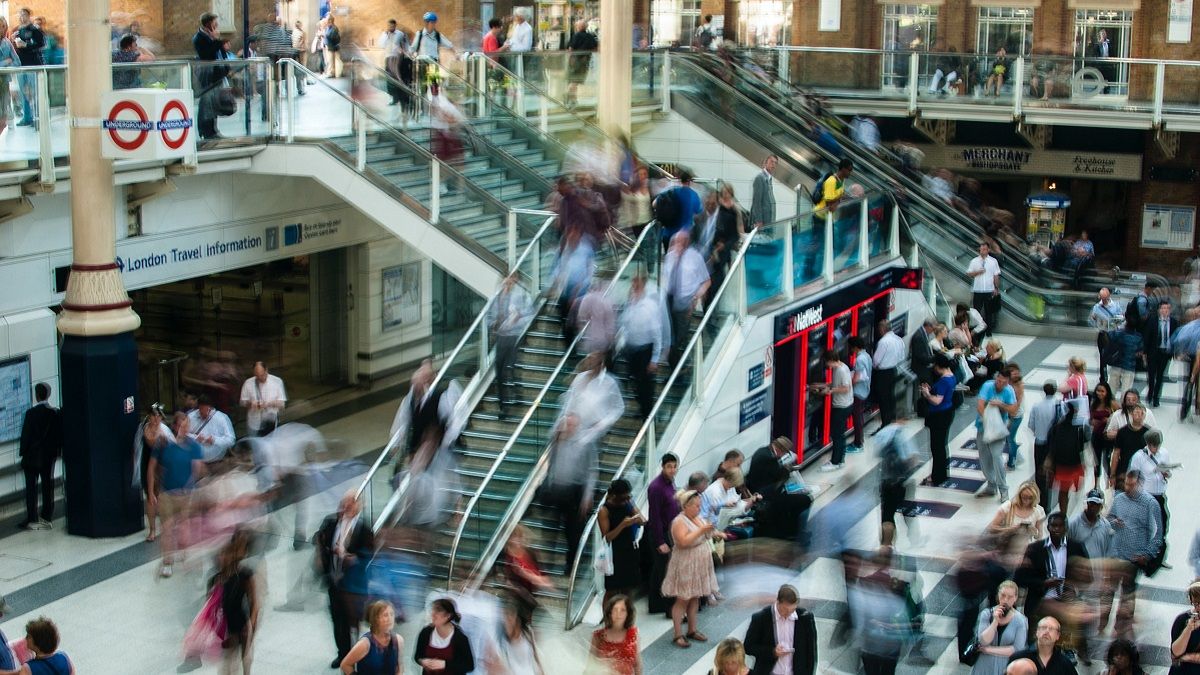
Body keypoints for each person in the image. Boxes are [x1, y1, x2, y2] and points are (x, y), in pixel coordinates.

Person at [317, 492, 376, 668]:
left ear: (359, 505)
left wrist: (353, 558)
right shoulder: (331, 522)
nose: (348, 505)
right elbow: (320, 540)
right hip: (334, 582)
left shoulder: (364, 528)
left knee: (354, 622)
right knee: (337, 620)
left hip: (353, 586)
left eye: (352, 502)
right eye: (345, 502)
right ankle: (342, 653)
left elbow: (369, 554)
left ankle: (357, 654)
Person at [1107, 469, 1163, 640]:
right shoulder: (1119, 499)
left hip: (1133, 558)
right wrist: (1114, 522)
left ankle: (1122, 626)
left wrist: (1147, 553)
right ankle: (1103, 621)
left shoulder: (1150, 504)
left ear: (1140, 484)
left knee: (1127, 593)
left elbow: (1158, 533)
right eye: (1126, 484)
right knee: (1108, 590)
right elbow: (1108, 518)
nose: (1127, 488)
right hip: (1116, 554)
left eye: (1131, 485)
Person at [662, 490, 721, 649]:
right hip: (686, 563)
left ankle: (692, 629)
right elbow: (682, 542)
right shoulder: (678, 521)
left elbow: (705, 534)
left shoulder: (698, 518)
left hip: (699, 562)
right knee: (683, 598)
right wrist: (701, 530)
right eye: (696, 506)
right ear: (685, 506)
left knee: (695, 597)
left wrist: (715, 532)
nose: (699, 509)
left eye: (699, 506)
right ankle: (677, 634)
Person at [148, 412, 204, 578]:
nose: (185, 429)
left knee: (185, 529)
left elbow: (197, 470)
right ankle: (167, 562)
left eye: (187, 426)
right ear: (175, 426)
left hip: (186, 495)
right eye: (182, 426)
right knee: (167, 530)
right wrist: (151, 492)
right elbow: (151, 467)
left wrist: (191, 489)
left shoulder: (194, 446)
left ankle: (185, 554)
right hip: (167, 494)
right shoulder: (163, 444)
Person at [1015, 513, 1090, 626]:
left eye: (1060, 526)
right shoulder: (1035, 549)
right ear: (1048, 527)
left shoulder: (1076, 548)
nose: (1056, 529)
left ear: (1066, 528)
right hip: (1040, 604)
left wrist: (1073, 588)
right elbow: (1020, 578)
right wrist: (1043, 583)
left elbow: (1088, 576)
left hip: (1068, 604)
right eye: (1053, 526)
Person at [388, 359, 458, 470]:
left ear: (427, 382)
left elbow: (452, 422)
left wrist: (445, 445)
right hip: (418, 448)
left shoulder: (442, 395)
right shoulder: (410, 399)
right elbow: (402, 421)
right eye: (414, 385)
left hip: (436, 450)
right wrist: (395, 445)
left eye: (418, 385)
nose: (415, 389)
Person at [745, 437, 812, 542]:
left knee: (795, 499)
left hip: (763, 491)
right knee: (805, 500)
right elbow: (779, 476)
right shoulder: (769, 459)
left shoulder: (762, 451)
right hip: (767, 496)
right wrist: (786, 469)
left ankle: (793, 531)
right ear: (781, 450)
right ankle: (794, 532)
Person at [619, 273, 666, 420]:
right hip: (631, 349)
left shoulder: (650, 306)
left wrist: (654, 359)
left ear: (643, 285)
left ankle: (648, 415)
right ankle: (642, 408)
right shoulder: (631, 303)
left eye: (636, 284)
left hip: (646, 350)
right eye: (633, 283)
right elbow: (623, 322)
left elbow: (657, 333)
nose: (633, 286)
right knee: (635, 382)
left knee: (646, 386)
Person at [212, 530, 259, 674]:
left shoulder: (244, 574)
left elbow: (254, 602)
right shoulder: (216, 579)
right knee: (228, 662)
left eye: (225, 554)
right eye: (220, 555)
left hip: (241, 622)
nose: (222, 558)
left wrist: (251, 624)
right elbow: (211, 606)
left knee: (245, 658)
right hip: (225, 624)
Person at [744, 584, 817, 675]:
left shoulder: (805, 618)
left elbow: (811, 652)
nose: (789, 613)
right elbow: (748, 647)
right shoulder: (761, 618)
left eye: (792, 610)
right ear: (778, 602)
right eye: (785, 610)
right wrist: (772, 651)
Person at [663, 230, 711, 367]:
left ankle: (679, 365)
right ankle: (676, 364)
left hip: (686, 301)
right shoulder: (669, 256)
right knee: (670, 336)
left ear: (687, 242)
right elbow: (665, 278)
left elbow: (707, 281)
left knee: (679, 337)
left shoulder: (695, 257)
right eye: (676, 241)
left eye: (681, 242)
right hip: (669, 299)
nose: (678, 245)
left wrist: (695, 298)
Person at [488, 273, 533, 417]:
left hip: (514, 336)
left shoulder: (522, 294)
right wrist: (493, 325)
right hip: (501, 337)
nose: (509, 281)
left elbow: (529, 313)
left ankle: (517, 393)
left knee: (511, 367)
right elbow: (490, 316)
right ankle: (503, 406)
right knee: (500, 370)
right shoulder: (497, 296)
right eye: (507, 278)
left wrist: (516, 321)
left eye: (513, 278)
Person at [18, 382, 61, 531]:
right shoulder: (54, 413)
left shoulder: (31, 414)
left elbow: (25, 436)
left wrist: (23, 452)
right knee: (47, 485)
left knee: (31, 488)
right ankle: (46, 515)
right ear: (48, 395)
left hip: (32, 457)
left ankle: (32, 517)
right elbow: (57, 436)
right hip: (48, 457)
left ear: (37, 396)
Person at [875, 414, 921, 547]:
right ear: (901, 419)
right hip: (902, 481)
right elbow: (912, 458)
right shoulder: (902, 434)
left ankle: (887, 543)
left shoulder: (881, 434)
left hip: (886, 480)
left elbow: (877, 454)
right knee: (908, 511)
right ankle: (914, 540)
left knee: (887, 514)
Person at [1127, 429, 1171, 569]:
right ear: (1148, 444)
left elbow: (1168, 472)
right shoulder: (1139, 457)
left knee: (1162, 524)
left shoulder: (1164, 453)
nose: (1156, 448)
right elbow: (1132, 476)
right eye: (1153, 445)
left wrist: (1166, 473)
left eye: (1158, 445)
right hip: (1145, 497)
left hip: (1159, 495)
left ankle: (1158, 557)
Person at [976, 366, 1020, 502]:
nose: (999, 384)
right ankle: (991, 484)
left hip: (999, 429)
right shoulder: (988, 386)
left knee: (997, 457)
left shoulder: (1009, 391)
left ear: (1007, 382)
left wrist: (1001, 404)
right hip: (983, 427)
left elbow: (1013, 410)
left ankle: (1003, 488)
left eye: (1003, 382)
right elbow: (980, 405)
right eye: (998, 380)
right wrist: (987, 420)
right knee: (984, 457)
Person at [598, 479, 644, 605]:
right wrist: (622, 525)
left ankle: (627, 615)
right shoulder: (604, 510)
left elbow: (643, 521)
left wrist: (636, 514)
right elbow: (607, 537)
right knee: (611, 590)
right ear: (615, 495)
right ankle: (608, 616)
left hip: (629, 549)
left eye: (628, 496)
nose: (626, 499)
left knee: (627, 588)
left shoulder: (628, 504)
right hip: (614, 553)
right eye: (624, 497)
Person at [646, 452, 680, 616]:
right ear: (663, 467)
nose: (672, 470)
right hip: (660, 533)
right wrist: (660, 541)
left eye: (674, 467)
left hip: (669, 531)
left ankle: (656, 604)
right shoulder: (656, 487)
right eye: (669, 467)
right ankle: (666, 607)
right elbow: (655, 517)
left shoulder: (670, 482)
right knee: (664, 571)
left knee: (660, 570)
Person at [807, 159, 853, 279]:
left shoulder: (841, 181)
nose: (850, 173)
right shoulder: (831, 181)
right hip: (819, 217)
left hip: (828, 218)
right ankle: (808, 270)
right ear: (843, 169)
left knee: (829, 243)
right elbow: (830, 205)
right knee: (816, 244)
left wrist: (839, 199)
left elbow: (836, 199)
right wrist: (839, 198)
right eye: (849, 170)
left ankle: (825, 268)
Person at [972, 580, 1028, 675]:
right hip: (984, 666)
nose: (1005, 600)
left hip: (1005, 667)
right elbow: (983, 641)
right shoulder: (986, 614)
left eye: (1010, 597)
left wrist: (987, 650)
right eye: (1003, 595)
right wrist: (995, 621)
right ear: (998, 595)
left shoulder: (1021, 620)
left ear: (1015, 598)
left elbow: (1017, 649)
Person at [812, 349, 853, 471]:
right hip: (845, 405)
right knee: (840, 435)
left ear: (830, 360)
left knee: (837, 435)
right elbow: (835, 383)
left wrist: (830, 391)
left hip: (841, 407)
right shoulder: (841, 367)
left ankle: (835, 462)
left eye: (826, 362)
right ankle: (840, 460)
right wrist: (821, 385)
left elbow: (845, 388)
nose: (826, 365)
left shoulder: (841, 370)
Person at [920, 355, 958, 485]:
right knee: (941, 445)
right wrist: (931, 390)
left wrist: (927, 394)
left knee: (937, 447)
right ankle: (941, 473)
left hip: (939, 416)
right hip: (947, 413)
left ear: (938, 366)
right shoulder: (951, 377)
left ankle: (937, 476)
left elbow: (937, 401)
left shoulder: (944, 381)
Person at [340, 600, 403, 675]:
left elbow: (399, 667)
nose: (390, 619)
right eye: (385, 615)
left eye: (392, 614)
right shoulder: (365, 644)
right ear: (376, 619)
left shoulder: (398, 640)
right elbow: (345, 665)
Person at [414, 598, 474, 674]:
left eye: (438, 610)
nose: (433, 614)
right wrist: (423, 661)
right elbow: (417, 656)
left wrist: (445, 664)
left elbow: (469, 666)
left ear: (448, 616)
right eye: (433, 610)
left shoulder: (460, 638)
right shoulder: (426, 632)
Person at [193, 12, 228, 141]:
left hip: (216, 74)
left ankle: (213, 129)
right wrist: (217, 40)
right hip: (207, 75)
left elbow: (220, 52)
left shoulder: (211, 37)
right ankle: (206, 131)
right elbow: (207, 54)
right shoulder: (199, 38)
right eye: (214, 22)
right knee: (206, 103)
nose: (216, 25)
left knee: (214, 103)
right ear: (208, 24)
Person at [1047, 402, 1087, 516]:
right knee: (1073, 491)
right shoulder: (1079, 427)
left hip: (1062, 465)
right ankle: (1067, 515)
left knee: (1064, 491)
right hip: (1073, 464)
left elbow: (1052, 446)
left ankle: (1064, 514)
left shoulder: (1057, 427)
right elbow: (1083, 445)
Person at [587, 594, 642, 674]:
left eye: (622, 610)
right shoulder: (598, 637)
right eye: (615, 609)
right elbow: (590, 667)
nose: (618, 614)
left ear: (628, 613)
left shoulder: (634, 634)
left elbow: (637, 665)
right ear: (610, 613)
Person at [1027, 381, 1060, 510]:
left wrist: (1039, 431)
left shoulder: (1036, 406)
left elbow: (1031, 425)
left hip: (1040, 443)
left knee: (1040, 474)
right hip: (1054, 444)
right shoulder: (1059, 405)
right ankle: (1050, 501)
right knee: (1051, 473)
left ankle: (1042, 503)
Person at [1, 617, 74, 675]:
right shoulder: (64, 657)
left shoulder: (28, 668)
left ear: (38, 642)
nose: (25, 638)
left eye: (29, 636)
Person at [1007, 616, 1078, 675]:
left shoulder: (1065, 664)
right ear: (1037, 632)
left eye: (1051, 629)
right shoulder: (1019, 658)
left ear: (1058, 636)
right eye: (1043, 627)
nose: (1047, 631)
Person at [12, 8, 43, 129]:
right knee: (23, 92)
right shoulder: (18, 31)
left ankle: (38, 117)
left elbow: (41, 44)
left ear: (29, 16)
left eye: (24, 14)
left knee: (34, 92)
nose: (21, 17)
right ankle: (27, 117)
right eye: (19, 15)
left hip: (33, 64)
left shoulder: (35, 30)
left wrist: (27, 45)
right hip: (21, 65)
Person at [987, 480, 1045, 545]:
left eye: (1030, 498)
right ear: (1019, 495)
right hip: (1006, 545)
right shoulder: (1007, 507)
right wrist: (1009, 529)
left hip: (1027, 547)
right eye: (1024, 497)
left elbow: (1039, 536)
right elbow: (991, 528)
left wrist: (1034, 532)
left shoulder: (1038, 511)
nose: (1027, 500)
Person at [1143, 301, 1177, 408]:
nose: (1165, 310)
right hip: (1153, 352)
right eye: (1163, 308)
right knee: (1151, 375)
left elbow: (1175, 337)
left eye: (1167, 308)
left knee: (1160, 376)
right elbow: (1147, 336)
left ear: (1170, 310)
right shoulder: (1152, 321)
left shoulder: (1174, 322)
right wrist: (1144, 352)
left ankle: (1156, 397)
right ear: (1159, 310)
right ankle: (1150, 393)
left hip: (1165, 353)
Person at [872, 318, 906, 430]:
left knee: (883, 399)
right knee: (891, 397)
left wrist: (875, 367)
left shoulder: (883, 342)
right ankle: (892, 419)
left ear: (883, 329)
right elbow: (902, 357)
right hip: (893, 371)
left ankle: (885, 423)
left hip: (883, 373)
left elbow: (876, 360)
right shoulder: (898, 340)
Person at [240, 361, 286, 437]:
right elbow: (242, 402)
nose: (260, 378)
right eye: (257, 376)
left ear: (266, 370)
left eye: (262, 375)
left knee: (270, 442)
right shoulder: (248, 383)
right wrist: (251, 404)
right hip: (254, 422)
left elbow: (282, 404)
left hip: (270, 421)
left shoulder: (277, 381)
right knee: (254, 442)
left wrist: (269, 404)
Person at [1109, 404, 1149, 490]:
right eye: (1136, 412)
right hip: (1123, 470)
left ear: (1144, 415)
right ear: (1131, 414)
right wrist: (1112, 474)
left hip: (1142, 473)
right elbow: (1116, 453)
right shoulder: (1122, 432)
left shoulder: (1148, 433)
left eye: (1141, 413)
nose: (1138, 415)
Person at [187, 394, 235, 463]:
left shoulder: (222, 418)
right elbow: (183, 434)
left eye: (205, 409)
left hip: (215, 458)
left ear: (210, 408)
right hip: (194, 458)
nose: (201, 412)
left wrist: (214, 440)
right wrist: (195, 438)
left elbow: (231, 440)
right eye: (200, 409)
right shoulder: (191, 416)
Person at [967, 242, 1001, 336]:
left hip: (989, 290)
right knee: (976, 312)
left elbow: (996, 275)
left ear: (988, 250)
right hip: (978, 290)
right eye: (981, 249)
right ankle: (976, 330)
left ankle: (988, 331)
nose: (982, 251)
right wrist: (977, 272)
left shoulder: (993, 261)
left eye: (984, 249)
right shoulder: (974, 261)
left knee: (988, 312)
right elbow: (969, 273)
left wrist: (996, 287)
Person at [1090, 288, 1123, 383]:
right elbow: (1092, 321)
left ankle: (1117, 377)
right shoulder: (1097, 307)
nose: (1103, 300)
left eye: (1104, 298)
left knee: (1115, 356)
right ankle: (1103, 378)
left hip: (1113, 334)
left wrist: (1116, 320)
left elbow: (1121, 318)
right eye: (1101, 298)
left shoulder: (1116, 306)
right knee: (1102, 357)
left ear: (1108, 297)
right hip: (1103, 334)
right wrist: (1094, 319)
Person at [1089, 383, 1118, 490]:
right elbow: (1090, 418)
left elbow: (1119, 416)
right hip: (1096, 436)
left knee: (1107, 461)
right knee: (1096, 461)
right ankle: (1096, 485)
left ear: (1107, 392)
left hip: (1108, 437)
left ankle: (1108, 484)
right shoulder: (1094, 404)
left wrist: (1109, 420)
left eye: (1102, 391)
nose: (1100, 393)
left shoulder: (1112, 404)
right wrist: (1092, 422)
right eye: (1098, 391)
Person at [848, 336, 874, 453]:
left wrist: (847, 384)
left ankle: (858, 444)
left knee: (857, 418)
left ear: (855, 347)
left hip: (858, 392)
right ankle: (859, 440)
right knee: (859, 417)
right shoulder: (867, 356)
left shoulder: (859, 359)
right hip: (865, 390)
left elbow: (856, 378)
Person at [380, 19, 411, 108]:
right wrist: (386, 35)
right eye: (389, 26)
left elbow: (406, 44)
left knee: (397, 79)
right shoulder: (384, 34)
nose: (391, 28)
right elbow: (381, 45)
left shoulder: (400, 34)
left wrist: (407, 53)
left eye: (392, 26)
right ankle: (394, 98)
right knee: (389, 79)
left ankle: (402, 98)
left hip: (397, 58)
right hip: (388, 58)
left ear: (395, 26)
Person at [1170, 583, 1200, 674]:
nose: (1198, 607)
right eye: (1196, 604)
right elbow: (1175, 653)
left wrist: (1190, 657)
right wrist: (1188, 629)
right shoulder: (1183, 619)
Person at [565, 20, 597, 105]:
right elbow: (595, 48)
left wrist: (570, 59)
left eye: (577, 26)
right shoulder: (590, 36)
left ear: (578, 27)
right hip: (585, 61)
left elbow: (570, 49)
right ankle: (573, 99)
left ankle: (570, 98)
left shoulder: (576, 36)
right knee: (578, 80)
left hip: (575, 61)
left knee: (573, 80)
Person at [1005, 365, 1027, 470]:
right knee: (1008, 438)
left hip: (1015, 415)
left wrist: (1013, 413)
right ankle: (1018, 456)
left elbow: (1018, 401)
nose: (1016, 375)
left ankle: (1012, 461)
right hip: (1009, 413)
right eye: (1013, 373)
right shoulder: (1008, 383)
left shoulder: (1018, 385)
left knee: (1010, 438)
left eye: (1017, 373)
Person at [750, 155, 777, 229]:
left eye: (775, 163)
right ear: (765, 163)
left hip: (768, 220)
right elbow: (756, 201)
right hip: (762, 222)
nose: (773, 164)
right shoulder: (760, 178)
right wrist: (758, 221)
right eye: (771, 162)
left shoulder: (769, 178)